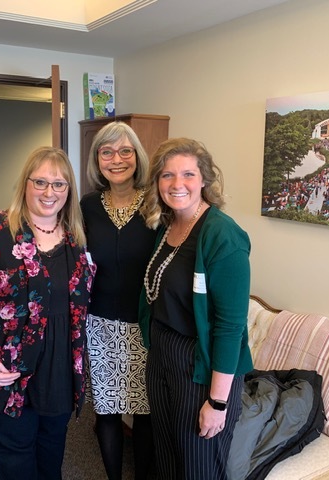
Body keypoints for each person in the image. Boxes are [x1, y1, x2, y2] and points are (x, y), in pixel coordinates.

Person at [0, 146, 96, 480]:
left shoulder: (78, 237)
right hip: (4, 370)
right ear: (25, 184)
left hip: (58, 371)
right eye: (40, 182)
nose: (49, 192)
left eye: (59, 184)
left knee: (50, 459)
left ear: (69, 189)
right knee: (14, 464)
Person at [139, 137, 253, 479]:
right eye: (167, 175)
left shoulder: (223, 236)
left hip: (200, 363)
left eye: (188, 174)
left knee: (198, 468)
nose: (177, 184)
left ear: (204, 179)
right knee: (167, 459)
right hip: (163, 353)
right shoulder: (168, 225)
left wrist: (217, 402)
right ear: (157, 182)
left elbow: (230, 328)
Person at [80, 121, 157, 480]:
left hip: (145, 326)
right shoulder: (87, 206)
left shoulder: (156, 204)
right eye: (107, 152)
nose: (117, 160)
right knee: (107, 412)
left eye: (126, 151)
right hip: (99, 326)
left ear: (137, 156)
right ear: (97, 159)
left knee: (145, 414)